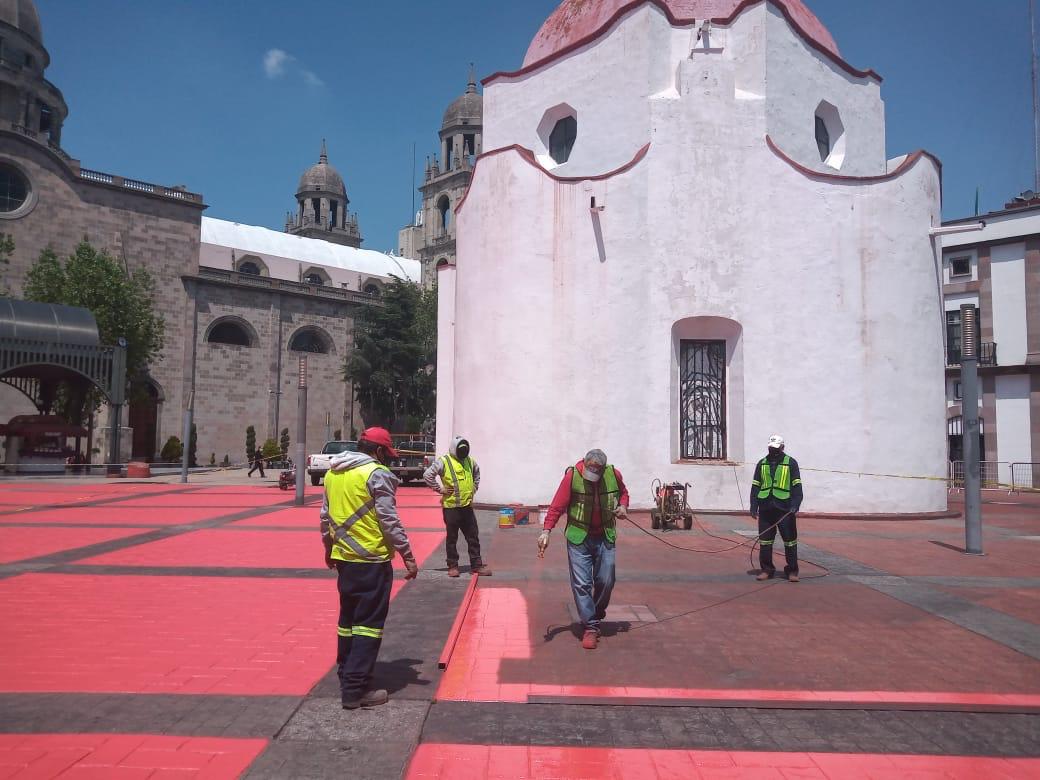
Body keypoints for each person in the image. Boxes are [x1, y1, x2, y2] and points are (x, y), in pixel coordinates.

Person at [320, 426, 419, 709]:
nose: (386, 460)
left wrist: (328, 549)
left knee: (348, 623)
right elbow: (388, 521)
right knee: (368, 628)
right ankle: (355, 690)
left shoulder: (333, 473)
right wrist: (408, 556)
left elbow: (325, 517)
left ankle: (346, 674)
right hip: (371, 562)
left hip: (345, 561)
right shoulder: (377, 474)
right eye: (385, 454)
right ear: (377, 451)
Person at [537, 449, 630, 650]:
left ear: (603, 469)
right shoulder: (572, 477)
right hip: (579, 536)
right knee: (582, 583)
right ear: (585, 465)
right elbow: (556, 507)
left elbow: (624, 494)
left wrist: (623, 507)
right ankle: (590, 626)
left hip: (605, 534)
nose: (593, 479)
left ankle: (595, 613)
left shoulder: (614, 475)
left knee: (606, 579)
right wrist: (546, 531)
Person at [423, 435, 491, 577]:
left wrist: (474, 488)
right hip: (451, 507)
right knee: (452, 538)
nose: (463, 452)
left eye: (465, 449)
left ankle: (476, 565)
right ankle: (452, 566)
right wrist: (439, 489)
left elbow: (477, 473)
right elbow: (428, 475)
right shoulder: (444, 461)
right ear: (454, 449)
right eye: (460, 450)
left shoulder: (470, 461)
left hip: (466, 507)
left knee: (473, 536)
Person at [750, 434, 803, 582]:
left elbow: (797, 487)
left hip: (785, 509)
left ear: (782, 447)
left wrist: (795, 505)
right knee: (765, 542)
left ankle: (792, 571)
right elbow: (755, 486)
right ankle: (767, 569)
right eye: (770, 448)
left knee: (790, 541)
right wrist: (753, 506)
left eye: (776, 448)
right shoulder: (762, 463)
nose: (772, 451)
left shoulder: (791, 463)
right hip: (766, 508)